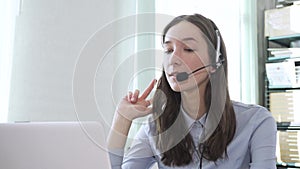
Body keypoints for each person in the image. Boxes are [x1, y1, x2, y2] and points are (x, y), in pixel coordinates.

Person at [107, 13, 277, 169]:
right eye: (168, 50)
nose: (173, 60)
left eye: (188, 49)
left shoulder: (256, 121)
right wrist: (122, 119)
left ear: (214, 62)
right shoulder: (155, 127)